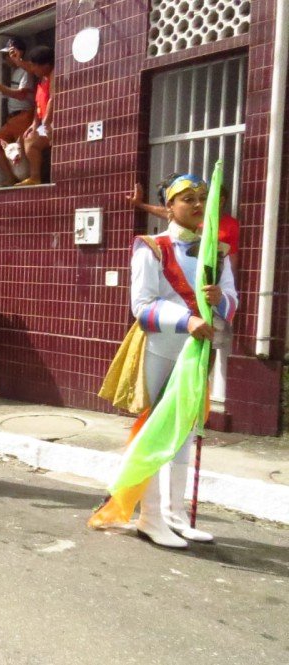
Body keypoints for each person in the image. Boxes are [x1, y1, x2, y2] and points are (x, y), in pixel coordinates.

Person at [125, 173, 237, 547]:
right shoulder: (151, 247)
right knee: (156, 430)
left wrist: (220, 297)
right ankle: (149, 517)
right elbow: (141, 308)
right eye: (187, 198)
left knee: (185, 433)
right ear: (169, 206)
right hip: (160, 348)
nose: (197, 205)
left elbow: (233, 303)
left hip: (197, 353)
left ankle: (174, 513)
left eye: (203, 198)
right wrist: (185, 319)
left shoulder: (216, 252)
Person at [0, 37, 36, 186]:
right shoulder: (15, 72)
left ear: (19, 53)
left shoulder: (26, 71)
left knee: (25, 150)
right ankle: (11, 177)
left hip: (23, 114)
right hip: (12, 118)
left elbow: (21, 94)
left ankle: (32, 178)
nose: (6, 58)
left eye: (9, 54)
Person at [9, 44, 55, 186]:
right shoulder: (43, 77)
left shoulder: (53, 75)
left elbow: (54, 98)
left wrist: (47, 122)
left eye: (36, 66)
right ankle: (35, 177)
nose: (33, 70)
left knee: (32, 142)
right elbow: (38, 103)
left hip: (55, 121)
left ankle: (39, 177)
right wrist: (35, 124)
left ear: (46, 65)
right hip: (43, 122)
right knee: (29, 138)